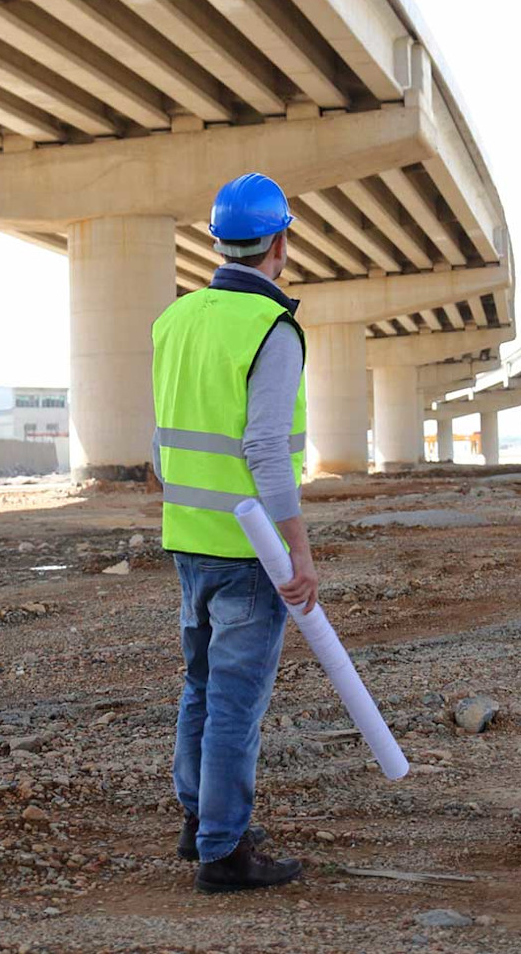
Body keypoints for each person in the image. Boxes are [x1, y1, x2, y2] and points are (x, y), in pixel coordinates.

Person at [151, 172, 318, 894]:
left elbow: (158, 444)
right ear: (279, 243)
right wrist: (298, 549)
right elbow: (265, 450)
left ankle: (198, 821)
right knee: (235, 703)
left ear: (219, 242)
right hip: (251, 551)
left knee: (200, 688)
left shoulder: (174, 320)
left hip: (188, 538)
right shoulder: (270, 328)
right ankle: (223, 850)